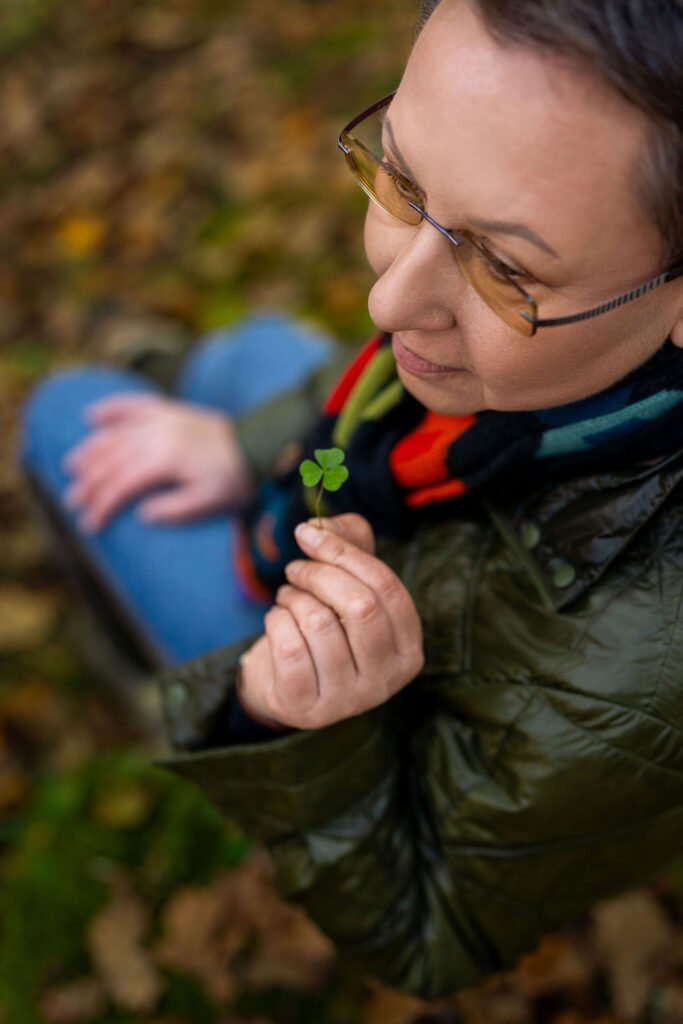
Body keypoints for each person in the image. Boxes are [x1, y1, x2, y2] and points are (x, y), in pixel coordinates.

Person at [21, 0, 683, 999]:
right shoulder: (542, 361)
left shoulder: (635, 668)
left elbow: (429, 934)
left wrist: (291, 726)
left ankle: (144, 669)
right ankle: (196, 404)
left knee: (71, 416)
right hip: (377, 511)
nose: (385, 301)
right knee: (250, 354)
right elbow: (375, 380)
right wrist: (243, 444)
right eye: (404, 181)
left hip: (336, 707)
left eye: (503, 266)